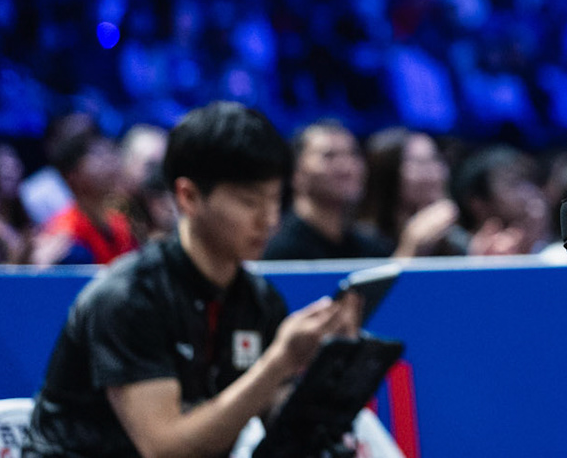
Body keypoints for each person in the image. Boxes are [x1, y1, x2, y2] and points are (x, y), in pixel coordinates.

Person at [21, 102, 358, 458]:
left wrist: (334, 374)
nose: (268, 219)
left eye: (275, 201)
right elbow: (166, 450)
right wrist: (278, 362)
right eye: (249, 202)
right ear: (189, 197)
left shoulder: (259, 301)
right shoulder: (129, 297)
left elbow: (283, 425)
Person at [264, 120, 394, 261]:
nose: (346, 167)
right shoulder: (276, 251)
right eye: (329, 156)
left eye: (353, 154)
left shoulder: (372, 248)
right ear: (296, 173)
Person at [34, 131, 137, 266]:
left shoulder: (121, 223)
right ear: (73, 175)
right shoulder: (65, 234)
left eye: (109, 154)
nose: (109, 163)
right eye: (98, 156)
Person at [360, 127, 466, 257]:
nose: (435, 172)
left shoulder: (453, 238)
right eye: (420, 163)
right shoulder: (365, 240)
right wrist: (411, 245)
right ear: (389, 172)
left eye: (436, 159)